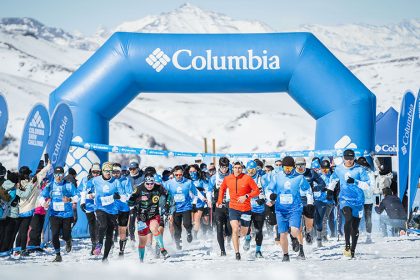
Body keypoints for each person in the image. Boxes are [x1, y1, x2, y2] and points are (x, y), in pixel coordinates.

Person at [267, 156, 311, 262]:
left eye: (290, 168)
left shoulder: (299, 177)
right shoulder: (277, 177)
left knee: (295, 230)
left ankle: (294, 238)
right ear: (282, 167)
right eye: (285, 168)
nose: (287, 170)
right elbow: (268, 189)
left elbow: (308, 189)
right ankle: (285, 255)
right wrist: (270, 196)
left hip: (295, 208)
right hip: (280, 210)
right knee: (282, 233)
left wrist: (310, 202)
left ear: (293, 167)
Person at [329, 149, 370, 258]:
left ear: (354, 158)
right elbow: (333, 180)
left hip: (358, 201)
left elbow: (367, 185)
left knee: (355, 227)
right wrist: (329, 191)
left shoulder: (360, 170)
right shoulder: (339, 169)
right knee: (348, 219)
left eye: (351, 159)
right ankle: (347, 245)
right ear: (343, 158)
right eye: (347, 158)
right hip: (345, 200)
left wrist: (356, 182)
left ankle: (352, 250)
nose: (349, 161)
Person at [216, 160, 260, 260]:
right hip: (233, 208)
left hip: (245, 209)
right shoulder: (228, 178)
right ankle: (237, 253)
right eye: (235, 168)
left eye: (239, 168)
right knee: (235, 229)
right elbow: (222, 189)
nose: (237, 170)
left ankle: (243, 236)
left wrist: (247, 196)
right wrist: (219, 200)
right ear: (232, 168)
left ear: (242, 168)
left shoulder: (247, 178)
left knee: (243, 232)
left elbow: (256, 191)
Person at [40, 166, 79, 262]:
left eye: (60, 174)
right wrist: (43, 203)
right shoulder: (50, 185)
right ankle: (58, 255)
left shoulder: (69, 185)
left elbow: (77, 196)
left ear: (63, 175)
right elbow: (41, 196)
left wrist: (69, 199)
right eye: (56, 174)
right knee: (54, 235)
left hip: (67, 214)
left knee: (65, 235)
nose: (58, 176)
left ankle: (68, 240)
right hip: (54, 214)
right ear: (54, 175)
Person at [128, 173, 170, 262]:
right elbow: (130, 202)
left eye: (152, 183)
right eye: (148, 184)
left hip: (154, 214)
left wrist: (167, 205)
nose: (150, 185)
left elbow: (168, 195)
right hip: (142, 217)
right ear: (144, 183)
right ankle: (141, 260)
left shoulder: (159, 187)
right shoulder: (139, 189)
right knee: (143, 241)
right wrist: (139, 199)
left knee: (154, 228)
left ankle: (163, 249)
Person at [165, 165, 207, 250]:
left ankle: (189, 232)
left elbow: (196, 192)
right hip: (175, 208)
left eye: (180, 174)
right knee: (177, 228)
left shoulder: (188, 182)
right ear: (174, 174)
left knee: (187, 224)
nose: (179, 176)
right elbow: (162, 191)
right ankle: (178, 242)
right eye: (176, 175)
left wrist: (202, 198)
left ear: (183, 174)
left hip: (186, 207)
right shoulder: (169, 183)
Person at [89, 162, 121, 262]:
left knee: (110, 234)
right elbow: (86, 188)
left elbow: (122, 194)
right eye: (106, 171)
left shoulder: (116, 182)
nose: (108, 173)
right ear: (102, 171)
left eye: (110, 171)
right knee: (103, 225)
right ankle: (98, 244)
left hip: (112, 210)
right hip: (100, 208)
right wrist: (89, 193)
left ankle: (105, 257)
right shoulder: (95, 180)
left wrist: (118, 196)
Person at [294, 157, 325, 245]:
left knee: (310, 223)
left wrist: (315, 188)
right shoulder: (292, 173)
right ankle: (296, 239)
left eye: (302, 165)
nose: (300, 167)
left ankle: (308, 232)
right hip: (296, 200)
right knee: (295, 222)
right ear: (295, 166)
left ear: (305, 165)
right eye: (298, 165)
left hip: (308, 199)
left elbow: (322, 183)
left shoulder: (311, 172)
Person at [208, 157, 232, 256]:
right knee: (219, 227)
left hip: (230, 205)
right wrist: (209, 201)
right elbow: (209, 190)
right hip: (218, 205)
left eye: (226, 167)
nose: (224, 169)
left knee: (229, 229)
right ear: (219, 166)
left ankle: (229, 239)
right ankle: (222, 250)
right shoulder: (214, 177)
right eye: (222, 167)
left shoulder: (232, 175)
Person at [243, 160, 267, 258]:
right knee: (246, 228)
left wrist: (263, 199)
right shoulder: (243, 178)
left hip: (258, 209)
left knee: (259, 230)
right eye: (249, 170)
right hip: (247, 208)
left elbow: (267, 191)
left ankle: (258, 250)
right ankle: (247, 238)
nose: (251, 172)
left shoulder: (261, 179)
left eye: (253, 170)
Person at [80, 162, 101, 255]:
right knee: (92, 224)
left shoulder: (102, 180)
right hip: (89, 205)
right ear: (91, 171)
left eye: (97, 172)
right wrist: (82, 202)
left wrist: (95, 195)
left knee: (99, 224)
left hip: (100, 205)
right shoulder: (85, 180)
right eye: (94, 172)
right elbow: (80, 192)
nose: (96, 174)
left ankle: (98, 244)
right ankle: (94, 244)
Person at [186, 164, 211, 239]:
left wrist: (208, 199)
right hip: (189, 203)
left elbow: (207, 189)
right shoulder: (186, 180)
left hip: (200, 203)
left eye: (194, 171)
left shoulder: (201, 180)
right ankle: (188, 233)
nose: (192, 173)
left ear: (197, 171)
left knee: (197, 219)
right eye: (190, 171)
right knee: (190, 220)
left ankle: (195, 235)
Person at [112, 162, 133, 257]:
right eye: (114, 172)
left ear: (121, 172)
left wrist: (120, 197)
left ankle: (121, 250)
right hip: (112, 208)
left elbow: (129, 195)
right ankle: (110, 243)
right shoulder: (109, 181)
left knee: (122, 230)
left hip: (124, 208)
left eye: (117, 172)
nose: (115, 174)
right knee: (110, 227)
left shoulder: (126, 181)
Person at [357, 157, 375, 243]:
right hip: (360, 198)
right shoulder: (357, 172)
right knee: (358, 217)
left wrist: (366, 190)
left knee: (367, 217)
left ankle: (368, 236)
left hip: (367, 198)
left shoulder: (370, 173)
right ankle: (357, 234)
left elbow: (372, 186)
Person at [128, 161, 144, 243]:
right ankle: (132, 238)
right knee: (131, 219)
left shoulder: (143, 176)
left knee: (141, 220)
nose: (132, 171)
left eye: (134, 169)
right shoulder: (127, 178)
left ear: (137, 168)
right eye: (130, 169)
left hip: (141, 202)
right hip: (131, 202)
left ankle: (142, 236)